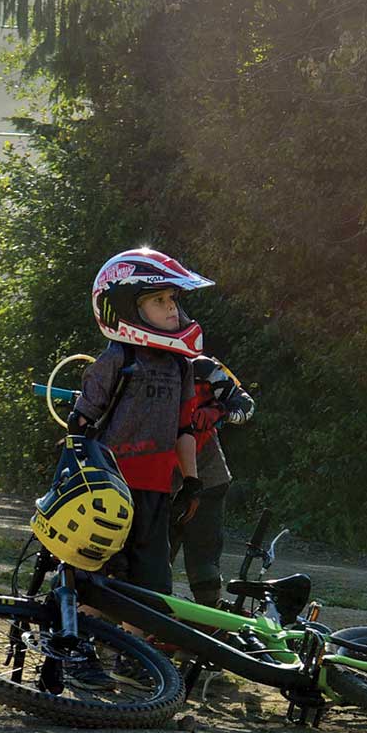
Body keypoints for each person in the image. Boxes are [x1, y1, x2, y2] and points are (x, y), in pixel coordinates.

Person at [69, 248, 211, 598]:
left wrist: (191, 482)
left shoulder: (181, 366)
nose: (172, 308)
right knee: (97, 579)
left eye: (172, 299)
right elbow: (81, 422)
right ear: (129, 308)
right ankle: (82, 648)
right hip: (107, 488)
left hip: (155, 492)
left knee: (151, 588)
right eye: (159, 300)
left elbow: (184, 428)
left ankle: (131, 654)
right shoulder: (117, 358)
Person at [174, 355, 257, 609]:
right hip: (155, 479)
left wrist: (219, 410)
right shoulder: (135, 363)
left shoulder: (205, 367)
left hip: (207, 476)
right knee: (150, 561)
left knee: (204, 563)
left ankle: (208, 629)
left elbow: (246, 405)